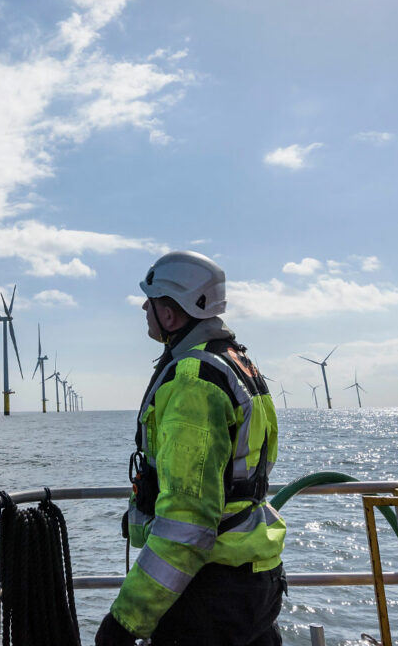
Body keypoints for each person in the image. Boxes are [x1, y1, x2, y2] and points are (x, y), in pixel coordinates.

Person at [95, 250, 286, 646]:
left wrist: (126, 621)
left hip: (210, 593)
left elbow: (188, 523)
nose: (144, 308)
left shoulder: (193, 383)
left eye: (151, 300)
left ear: (169, 314)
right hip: (256, 578)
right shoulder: (238, 365)